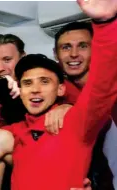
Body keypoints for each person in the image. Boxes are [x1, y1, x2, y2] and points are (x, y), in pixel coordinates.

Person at [1, 3, 117, 186]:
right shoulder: (14, 131)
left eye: (44, 81)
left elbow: (102, 85)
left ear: (60, 88)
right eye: (27, 83)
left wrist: (106, 22)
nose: (35, 89)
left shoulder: (75, 120)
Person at [53, 21, 115, 189]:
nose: (74, 54)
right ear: (55, 54)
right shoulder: (54, 92)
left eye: (82, 46)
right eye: (66, 47)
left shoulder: (112, 85)